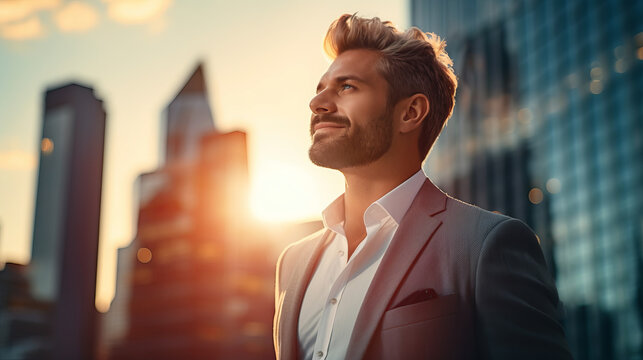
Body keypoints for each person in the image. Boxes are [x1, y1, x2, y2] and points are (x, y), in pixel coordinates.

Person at [273, 14, 572, 360]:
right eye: (320, 89)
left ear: (411, 112)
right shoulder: (292, 263)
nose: (318, 103)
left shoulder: (486, 246)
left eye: (347, 87)